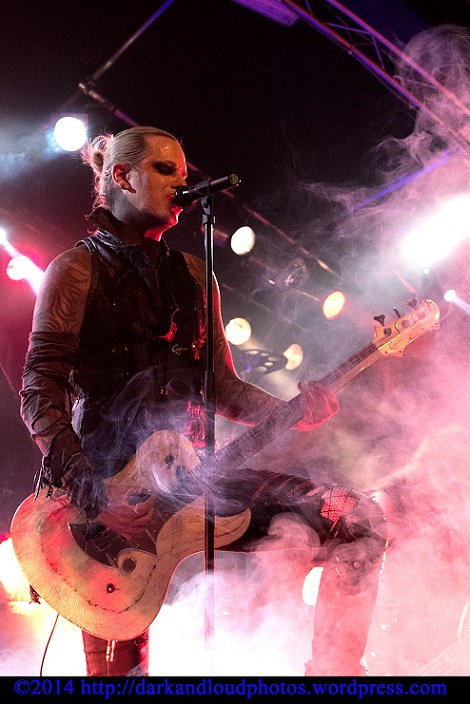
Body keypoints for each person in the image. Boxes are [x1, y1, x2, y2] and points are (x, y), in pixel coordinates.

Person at [19, 125, 387, 677]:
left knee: (357, 520)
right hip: (111, 495)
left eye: (184, 172)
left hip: (196, 476)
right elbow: (39, 390)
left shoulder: (195, 275)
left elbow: (225, 388)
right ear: (122, 177)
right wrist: (93, 492)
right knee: (121, 668)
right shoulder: (75, 270)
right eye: (165, 169)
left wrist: (290, 411)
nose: (181, 182)